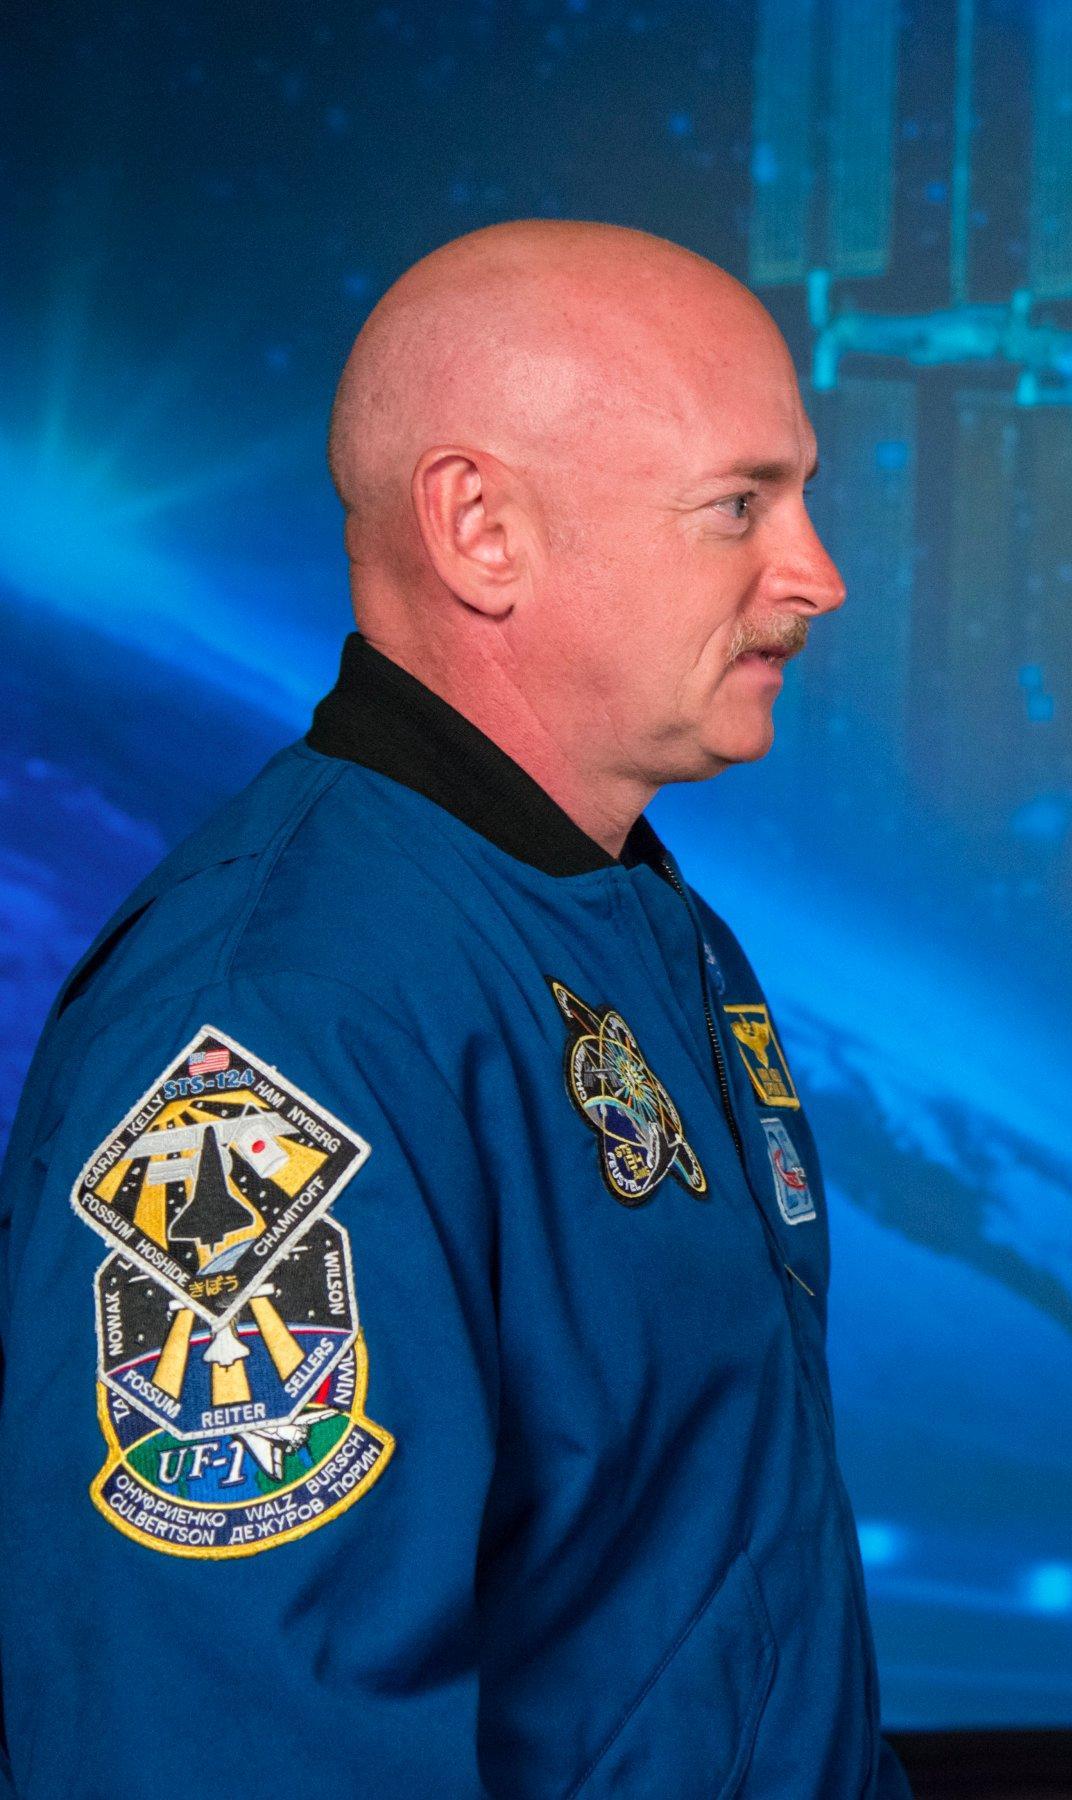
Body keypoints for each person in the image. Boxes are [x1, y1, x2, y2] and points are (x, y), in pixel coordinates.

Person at [0, 220, 910, 1797]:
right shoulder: (282, 1033)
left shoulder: (640, 924)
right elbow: (225, 1749)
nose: (816, 573)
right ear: (481, 528)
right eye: (740, 506)